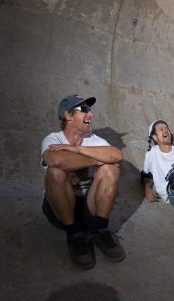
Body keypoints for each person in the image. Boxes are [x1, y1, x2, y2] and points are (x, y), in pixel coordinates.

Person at [41, 94, 126, 269]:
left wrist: (77, 150)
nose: (91, 114)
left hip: (89, 207)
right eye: (85, 109)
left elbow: (117, 155)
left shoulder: (93, 140)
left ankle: (99, 230)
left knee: (111, 169)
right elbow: (56, 160)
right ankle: (73, 235)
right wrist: (97, 159)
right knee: (55, 172)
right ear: (68, 116)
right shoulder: (53, 139)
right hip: (60, 208)